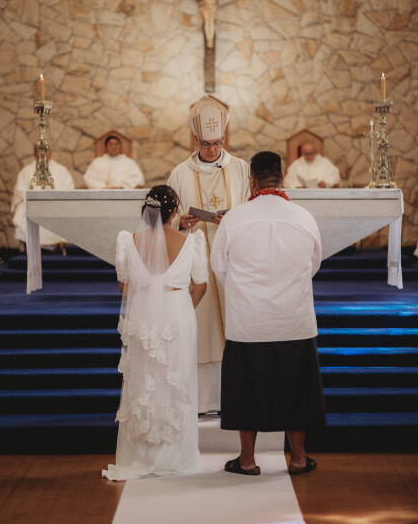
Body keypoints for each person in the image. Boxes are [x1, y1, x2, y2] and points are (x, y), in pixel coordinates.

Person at [211, 151, 326, 475]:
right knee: (297, 389)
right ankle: (299, 458)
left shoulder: (235, 218)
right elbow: (313, 264)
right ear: (282, 177)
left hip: (249, 320)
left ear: (252, 180)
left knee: (246, 389)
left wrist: (245, 291)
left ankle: (247, 460)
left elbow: (219, 266)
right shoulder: (303, 217)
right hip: (294, 319)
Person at [102, 185, 208, 480]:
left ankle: (141, 453)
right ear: (174, 212)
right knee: (177, 378)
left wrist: (149, 300)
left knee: (143, 379)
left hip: (142, 316)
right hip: (178, 314)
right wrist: (181, 309)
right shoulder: (192, 242)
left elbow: (124, 286)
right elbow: (200, 285)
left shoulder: (128, 241)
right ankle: (175, 455)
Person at [167, 94, 250, 413]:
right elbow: (169, 220)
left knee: (232, 327)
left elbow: (251, 211)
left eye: (216, 143)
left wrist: (234, 219)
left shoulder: (241, 169)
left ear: (224, 138)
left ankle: (234, 398)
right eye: (206, 144)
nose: (212, 150)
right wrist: (182, 223)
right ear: (196, 140)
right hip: (195, 263)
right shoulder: (179, 173)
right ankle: (201, 401)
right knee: (201, 330)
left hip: (232, 261)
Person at [11, 146, 75, 249]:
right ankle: (29, 246)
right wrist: (34, 197)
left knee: (65, 209)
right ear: (34, 153)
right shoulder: (26, 171)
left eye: (45, 150)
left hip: (56, 204)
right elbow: (20, 191)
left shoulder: (61, 170)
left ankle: (58, 245)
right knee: (21, 211)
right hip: (33, 205)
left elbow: (69, 190)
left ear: (50, 152)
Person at [177, 0, 242, 48]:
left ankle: (211, 38)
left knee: (212, 22)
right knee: (207, 22)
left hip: (213, 6)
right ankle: (208, 39)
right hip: (206, 6)